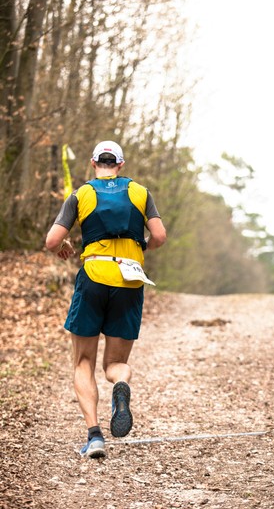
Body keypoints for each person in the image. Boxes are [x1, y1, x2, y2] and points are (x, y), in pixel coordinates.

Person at [46, 140, 166, 459]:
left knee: (83, 362)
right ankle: (120, 386)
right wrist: (141, 246)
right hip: (130, 278)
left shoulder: (82, 194)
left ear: (93, 163)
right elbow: (160, 236)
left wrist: (64, 247)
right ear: (121, 165)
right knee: (115, 364)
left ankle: (95, 436)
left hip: (95, 276)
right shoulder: (140, 192)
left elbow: (52, 240)